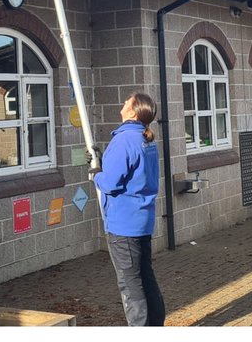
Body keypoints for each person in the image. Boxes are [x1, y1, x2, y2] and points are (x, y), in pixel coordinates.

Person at [93, 92, 166, 327]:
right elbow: (132, 174)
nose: (123, 102)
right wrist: (103, 164)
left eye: (128, 101)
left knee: (131, 285)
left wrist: (96, 175)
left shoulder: (124, 140)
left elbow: (111, 183)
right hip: (142, 221)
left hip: (124, 224)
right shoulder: (145, 139)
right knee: (145, 277)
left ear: (133, 111)